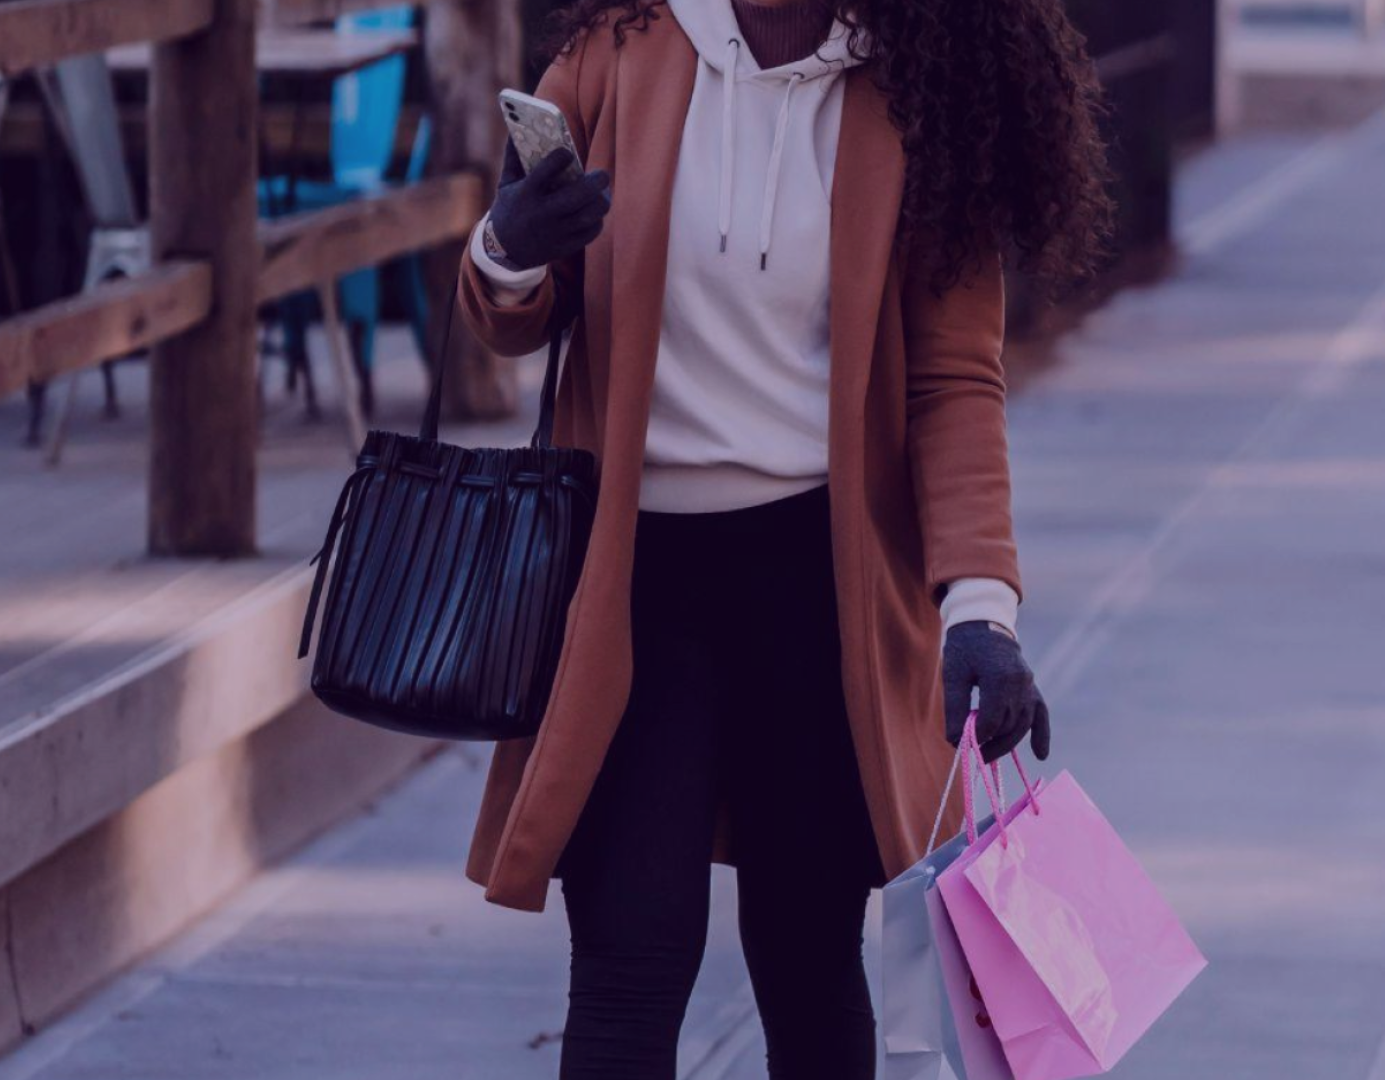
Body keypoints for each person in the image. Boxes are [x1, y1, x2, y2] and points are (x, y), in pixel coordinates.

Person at [455, 0, 1110, 1075]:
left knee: (807, 962)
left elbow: (952, 380)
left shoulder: (916, 87)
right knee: (628, 967)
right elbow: (510, 308)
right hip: (637, 587)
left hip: (820, 592)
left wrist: (980, 610)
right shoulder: (621, 54)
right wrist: (509, 250)